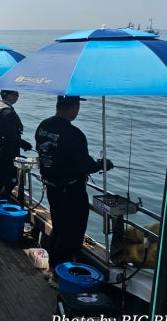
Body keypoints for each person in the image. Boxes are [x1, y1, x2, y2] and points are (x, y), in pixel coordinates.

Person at [35, 95, 113, 289]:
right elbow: (84, 165)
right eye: (77, 107)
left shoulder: (43, 126)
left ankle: (52, 268)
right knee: (71, 233)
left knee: (59, 227)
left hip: (51, 186)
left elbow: (44, 152)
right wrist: (102, 164)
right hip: (70, 190)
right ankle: (58, 276)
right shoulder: (74, 134)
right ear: (73, 108)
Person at [0, 90, 33, 204]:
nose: (17, 97)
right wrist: (24, 144)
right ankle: (1, 204)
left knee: (1, 180)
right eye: (16, 95)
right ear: (9, 96)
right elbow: (11, 135)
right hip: (7, 152)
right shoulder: (7, 113)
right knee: (11, 181)